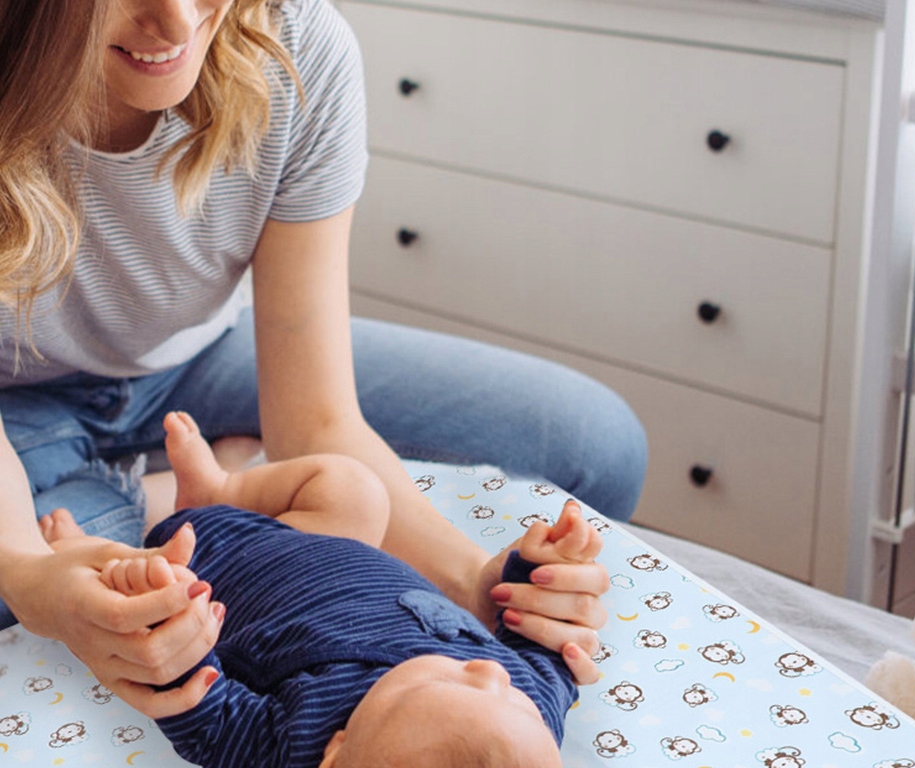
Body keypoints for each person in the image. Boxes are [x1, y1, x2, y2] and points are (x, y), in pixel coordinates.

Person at [0, 0, 645, 696]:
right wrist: (28, 574)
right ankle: (190, 486)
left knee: (597, 446)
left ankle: (199, 487)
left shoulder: (299, 47)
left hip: (199, 358)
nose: (179, 24)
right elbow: (30, 575)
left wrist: (477, 584)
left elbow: (315, 418)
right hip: (18, 397)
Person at [39, 411, 603, 768]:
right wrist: (539, 569)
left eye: (443, 685)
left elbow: (199, 704)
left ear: (335, 755)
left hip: (203, 567)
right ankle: (221, 489)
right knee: (354, 487)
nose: (488, 671)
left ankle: (84, 550)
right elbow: (539, 644)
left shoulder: (288, 759)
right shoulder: (527, 713)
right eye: (515, 700)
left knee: (129, 612)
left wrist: (167, 616)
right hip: (324, 532)